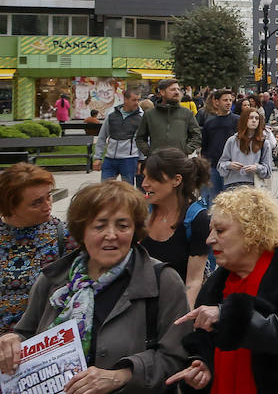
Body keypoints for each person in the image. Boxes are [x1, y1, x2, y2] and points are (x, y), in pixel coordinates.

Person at [0, 180, 191, 393]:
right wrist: (11, 341)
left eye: (123, 225)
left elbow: (177, 357)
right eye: (99, 226)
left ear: (135, 230)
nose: (111, 235)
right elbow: (25, 334)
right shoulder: (53, 280)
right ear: (81, 231)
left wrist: (121, 375)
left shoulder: (162, 281)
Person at [169, 187, 278, 394]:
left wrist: (227, 315)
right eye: (211, 231)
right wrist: (202, 362)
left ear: (252, 231)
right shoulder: (217, 282)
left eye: (220, 230)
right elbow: (203, 340)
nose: (209, 239)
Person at [0, 165, 68, 334]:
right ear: (10, 206)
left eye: (49, 197)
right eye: (36, 202)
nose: (47, 206)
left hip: (39, 344)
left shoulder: (67, 236)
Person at [141, 149, 211, 307]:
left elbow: (193, 281)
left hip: (175, 306)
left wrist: (180, 321)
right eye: (144, 176)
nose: (144, 184)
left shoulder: (196, 220)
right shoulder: (142, 214)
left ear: (176, 180)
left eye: (152, 178)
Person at [135, 79, 201, 159]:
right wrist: (150, 153)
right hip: (157, 162)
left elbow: (196, 135)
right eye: (173, 89)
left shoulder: (187, 113)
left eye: (178, 89)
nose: (177, 92)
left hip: (179, 161)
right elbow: (140, 138)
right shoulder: (150, 114)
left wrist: (185, 150)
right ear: (162, 92)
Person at [93, 86, 144, 185]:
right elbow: (102, 136)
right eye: (134, 100)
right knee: (105, 189)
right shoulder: (112, 114)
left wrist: (141, 160)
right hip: (110, 158)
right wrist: (98, 157)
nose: (137, 103)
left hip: (129, 159)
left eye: (138, 100)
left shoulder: (141, 117)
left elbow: (143, 139)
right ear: (125, 99)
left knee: (127, 190)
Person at [199, 90, 240, 207]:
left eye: (230, 100)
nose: (228, 103)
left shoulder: (238, 120)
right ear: (216, 102)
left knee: (232, 202)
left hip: (232, 167)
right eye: (225, 100)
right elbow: (205, 146)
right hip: (213, 167)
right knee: (214, 201)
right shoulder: (209, 123)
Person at [218, 108, 273, 192]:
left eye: (257, 118)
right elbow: (221, 164)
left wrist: (257, 167)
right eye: (250, 118)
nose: (254, 120)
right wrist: (230, 165)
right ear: (244, 120)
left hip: (255, 186)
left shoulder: (264, 143)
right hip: (233, 185)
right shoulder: (232, 140)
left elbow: (268, 171)